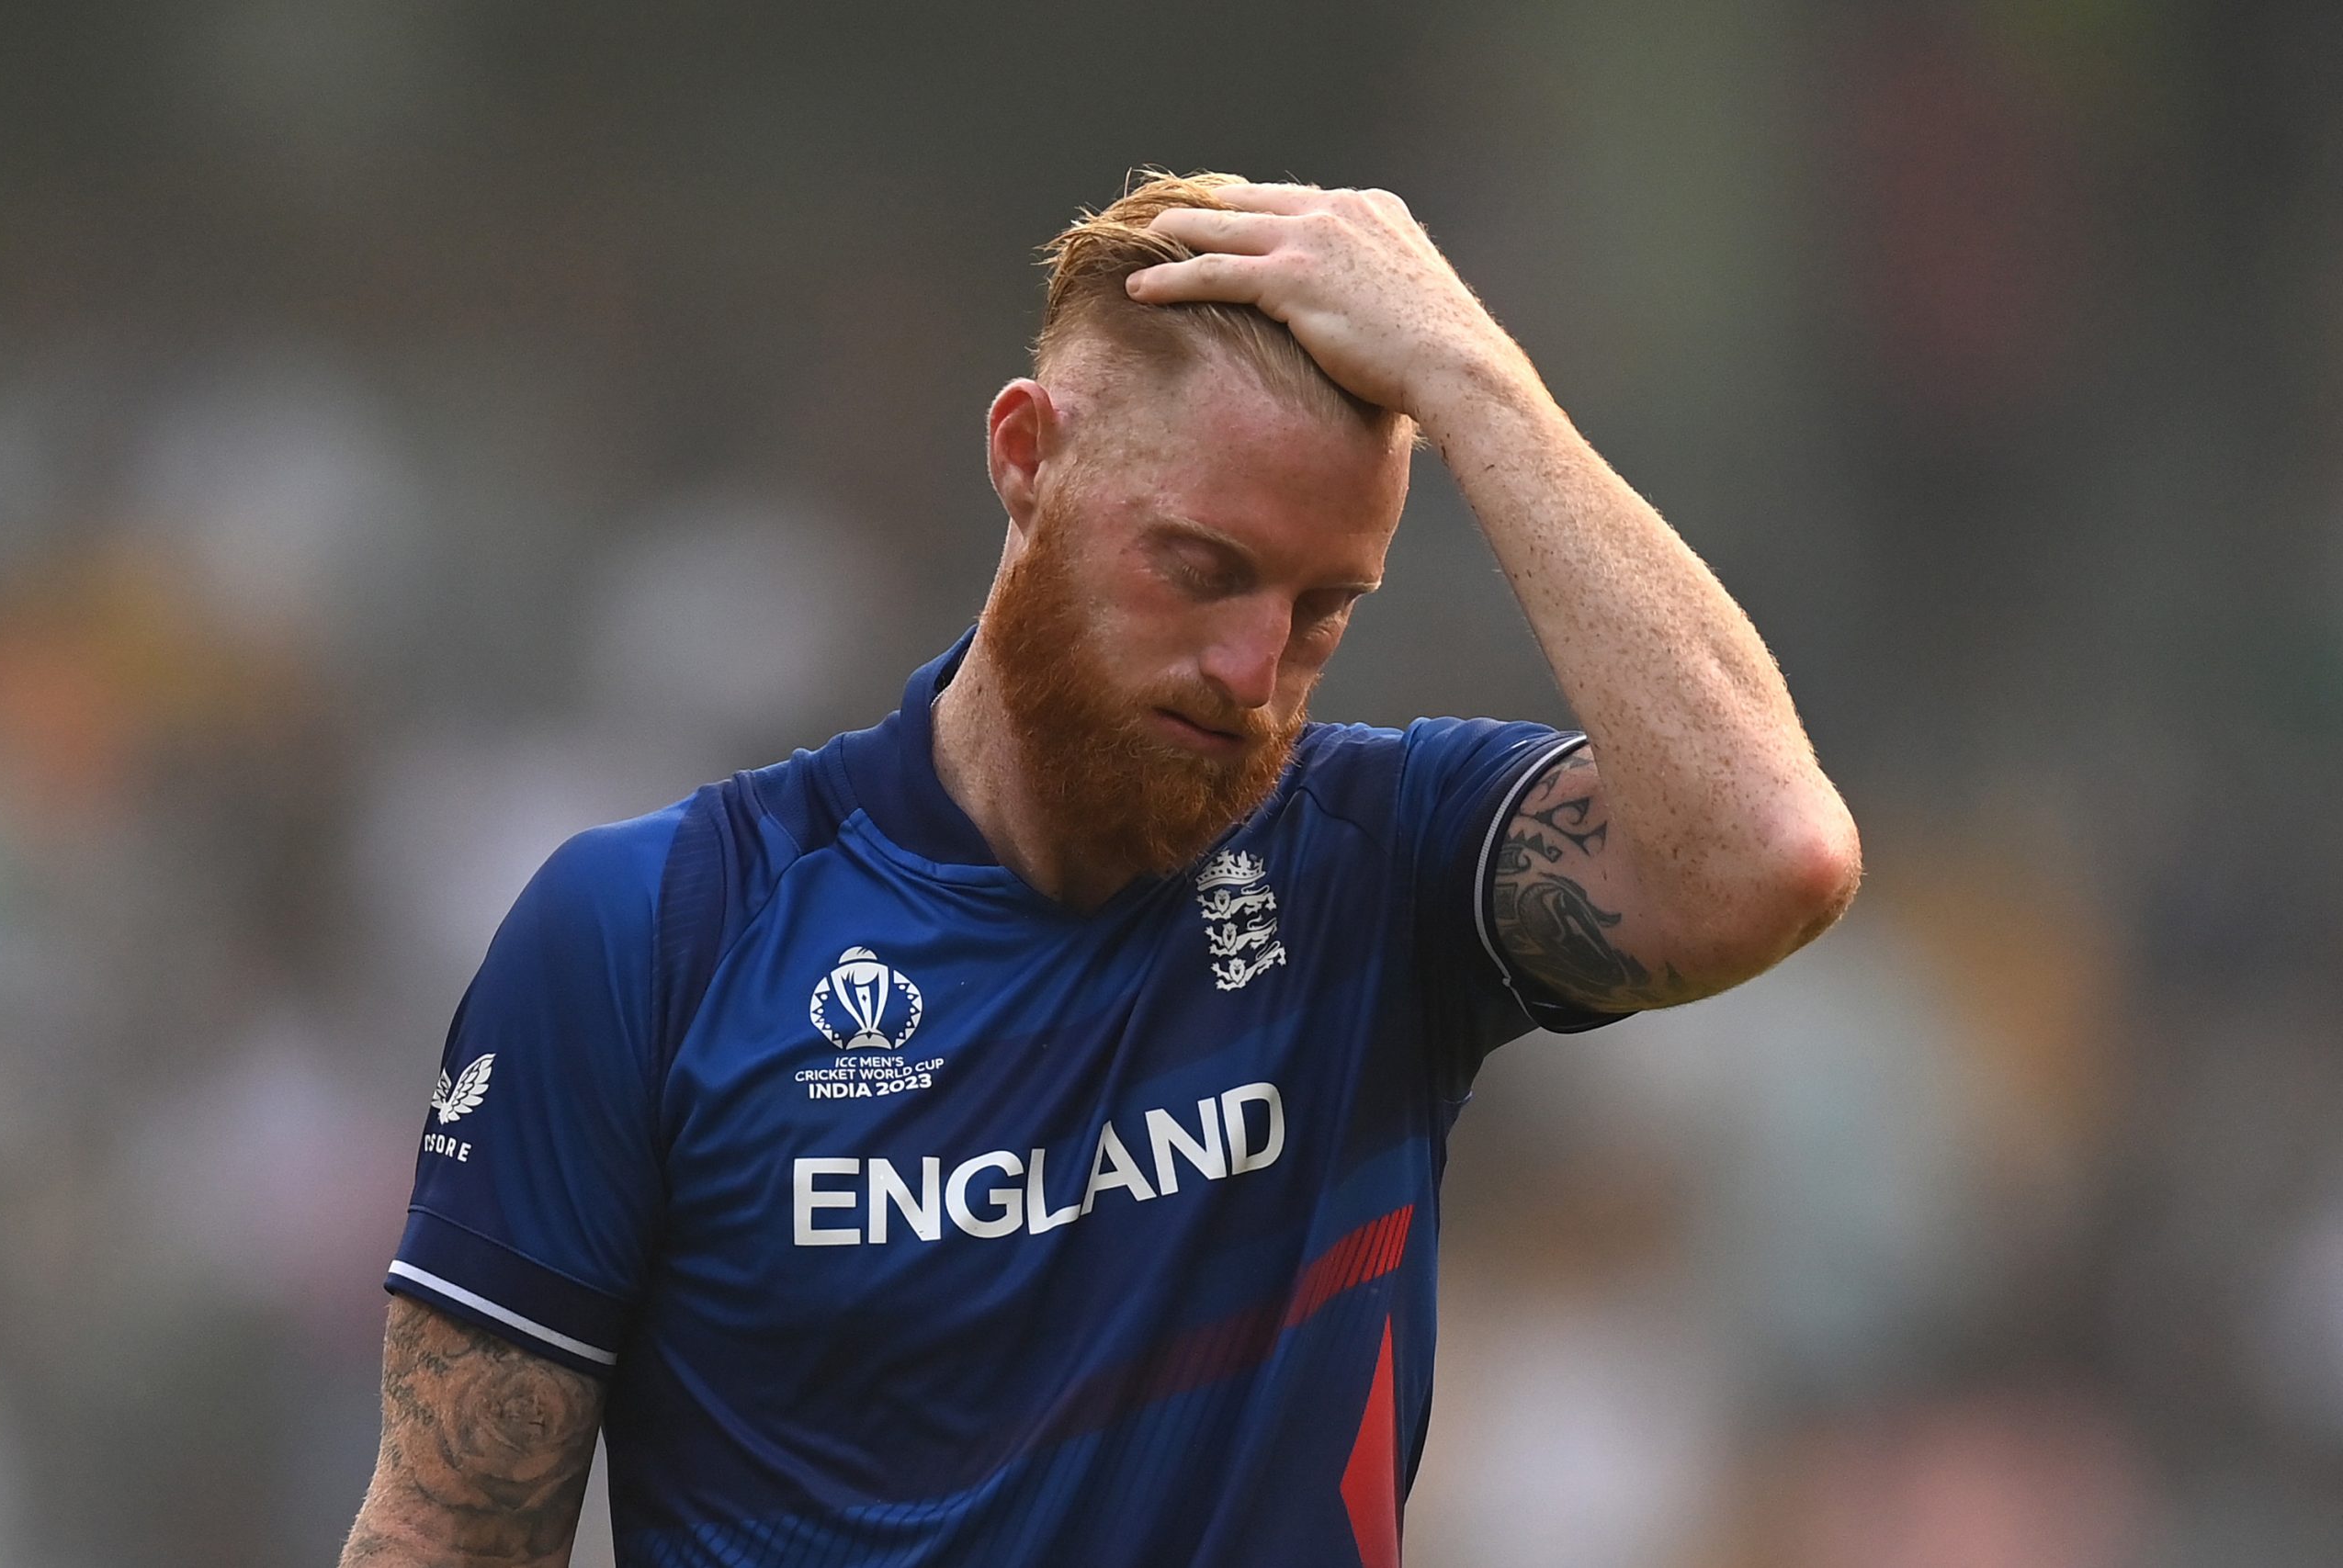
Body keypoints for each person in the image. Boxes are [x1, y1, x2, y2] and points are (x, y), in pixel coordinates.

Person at [339, 171, 1861, 1568]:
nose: (1253, 668)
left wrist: (1479, 382)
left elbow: (1768, 856)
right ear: (1026, 457)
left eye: (1324, 608)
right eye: (1199, 568)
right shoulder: (656, 936)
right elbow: (451, 1532)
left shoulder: (1378, 867)